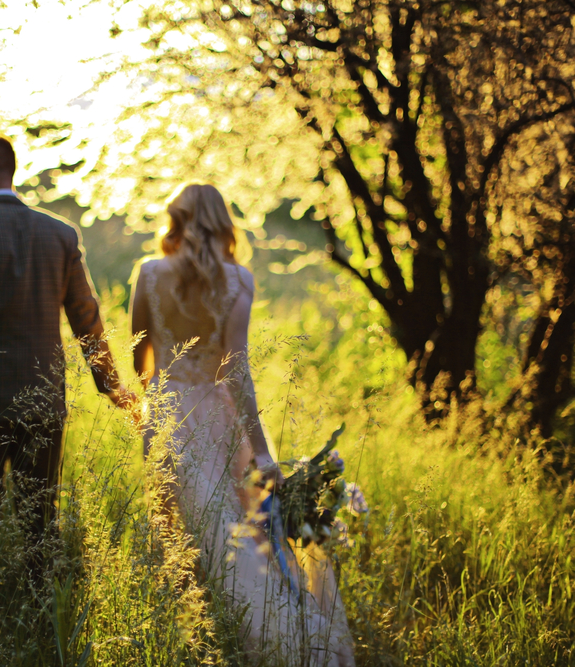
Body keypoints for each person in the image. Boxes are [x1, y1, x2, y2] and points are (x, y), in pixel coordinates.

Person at [130, 183, 355, 666]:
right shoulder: (238, 281)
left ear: (176, 220)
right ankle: (276, 636)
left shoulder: (148, 274)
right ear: (223, 222)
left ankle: (195, 636)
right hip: (219, 418)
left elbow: (138, 360)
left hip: (167, 414)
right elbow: (236, 371)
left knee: (178, 533)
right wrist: (263, 451)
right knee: (238, 534)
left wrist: (166, 389)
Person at [0, 135, 131, 576]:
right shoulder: (59, 233)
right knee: (41, 527)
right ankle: (42, 621)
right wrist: (110, 385)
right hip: (43, 405)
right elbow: (86, 317)